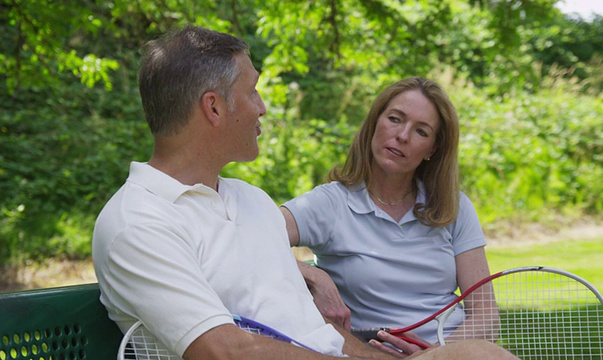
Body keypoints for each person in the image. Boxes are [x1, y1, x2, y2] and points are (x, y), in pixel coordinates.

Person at [92, 25, 517, 360]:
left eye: (421, 131)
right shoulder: (139, 223)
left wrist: (305, 272)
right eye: (253, 91)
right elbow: (224, 351)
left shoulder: (250, 201)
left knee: (482, 355)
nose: (262, 107)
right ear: (214, 108)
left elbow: (320, 333)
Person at [281, 77, 497, 347]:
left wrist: (436, 357)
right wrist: (313, 275)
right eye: (395, 119)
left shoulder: (454, 206)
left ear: (433, 149)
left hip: (451, 350)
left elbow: (487, 315)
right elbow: (251, 236)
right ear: (374, 122)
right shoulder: (330, 203)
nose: (403, 136)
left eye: (421, 131)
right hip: (372, 352)